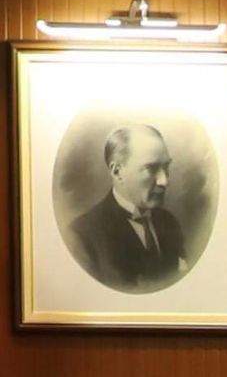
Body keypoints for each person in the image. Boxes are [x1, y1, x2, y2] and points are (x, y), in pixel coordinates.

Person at [69, 124, 186, 292]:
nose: (164, 181)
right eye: (151, 168)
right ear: (117, 172)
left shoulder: (169, 223)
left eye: (166, 167)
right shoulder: (82, 236)